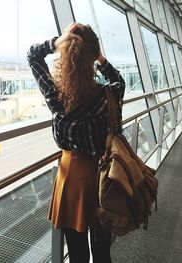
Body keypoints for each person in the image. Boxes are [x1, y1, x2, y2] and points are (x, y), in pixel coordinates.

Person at [27, 23, 125, 263]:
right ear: (92, 55)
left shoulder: (57, 98)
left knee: (78, 254)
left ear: (66, 55)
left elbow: (32, 56)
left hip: (72, 179)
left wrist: (55, 42)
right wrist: (99, 57)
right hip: (105, 176)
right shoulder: (108, 95)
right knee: (102, 252)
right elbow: (118, 80)